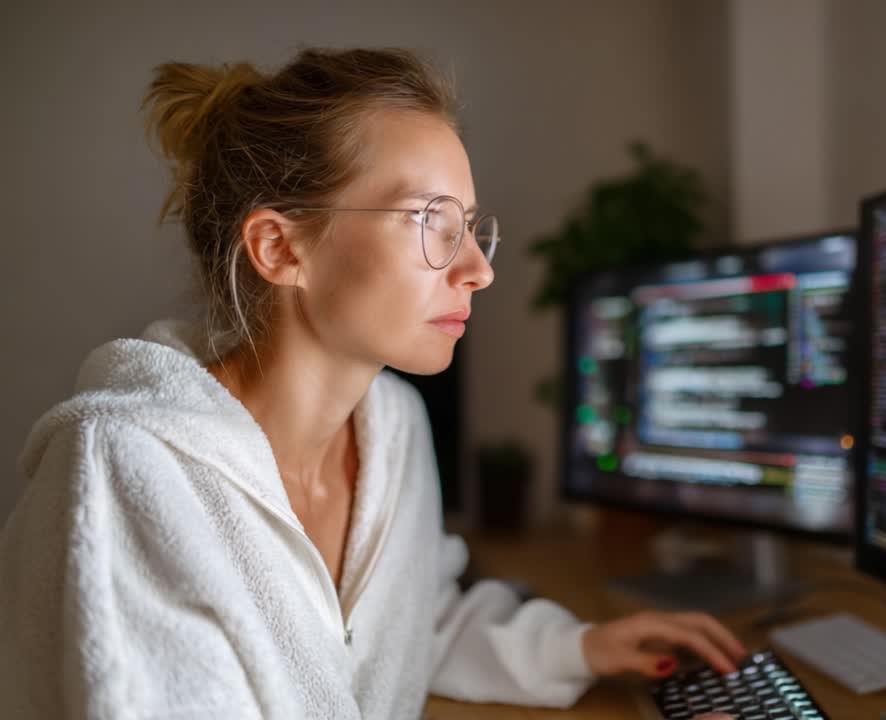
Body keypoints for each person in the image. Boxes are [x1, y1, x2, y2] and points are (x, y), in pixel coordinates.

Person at [0, 47, 744, 719]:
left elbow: (409, 624)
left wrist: (577, 648)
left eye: (471, 227)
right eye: (430, 220)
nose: (478, 270)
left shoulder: (392, 429)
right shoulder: (128, 471)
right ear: (279, 247)